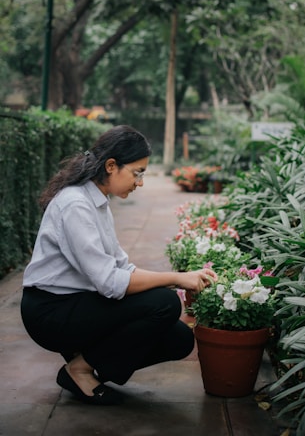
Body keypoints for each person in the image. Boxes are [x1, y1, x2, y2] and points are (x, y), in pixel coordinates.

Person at [21, 125, 217, 405]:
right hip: (50, 312)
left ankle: (87, 359)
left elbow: (122, 268)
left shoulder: (96, 202)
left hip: (79, 302)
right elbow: (110, 283)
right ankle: (81, 369)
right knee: (165, 303)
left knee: (179, 340)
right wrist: (174, 278)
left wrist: (181, 278)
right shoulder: (76, 205)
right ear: (111, 166)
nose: (140, 182)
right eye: (137, 172)